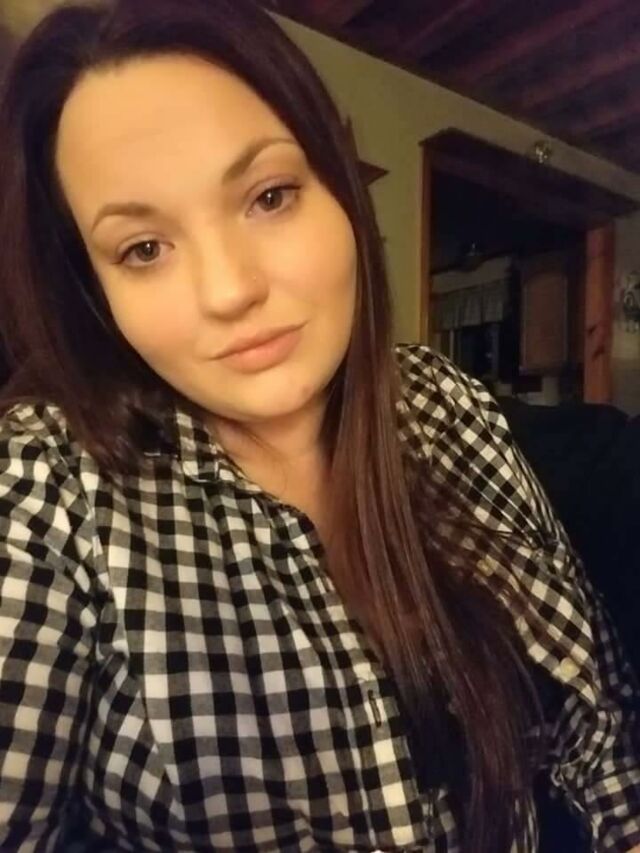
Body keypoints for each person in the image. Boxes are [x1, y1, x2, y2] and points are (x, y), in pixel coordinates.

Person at [0, 1, 637, 851]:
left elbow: (600, 745)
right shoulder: (45, 487)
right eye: (143, 248)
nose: (230, 290)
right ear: (94, 290)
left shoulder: (448, 406)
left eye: (269, 196)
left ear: (339, 188)